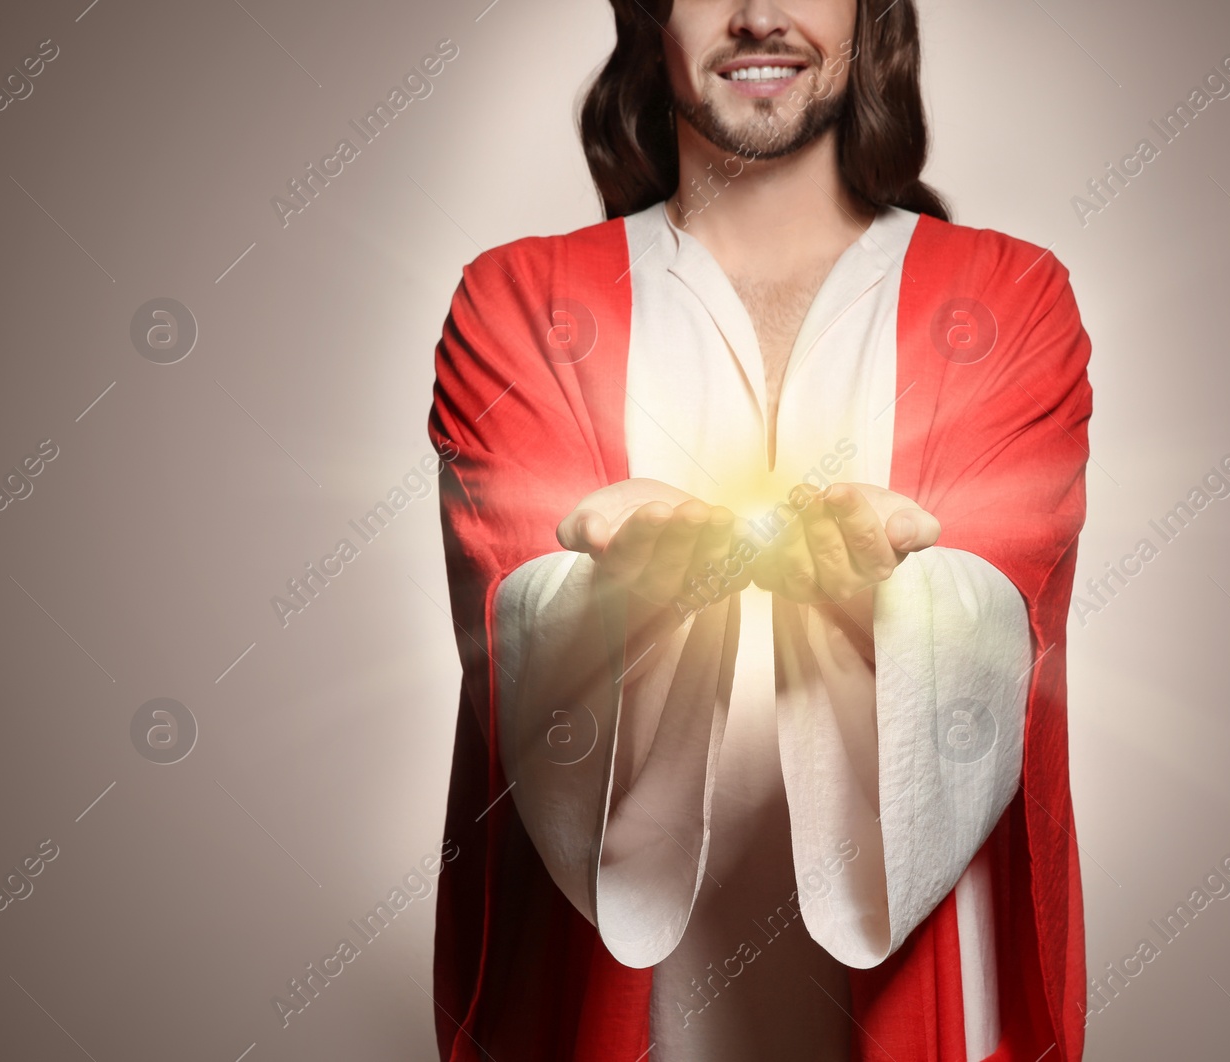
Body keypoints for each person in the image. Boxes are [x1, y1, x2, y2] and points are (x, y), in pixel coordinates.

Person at [426, 1, 1093, 1059]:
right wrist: (621, 596)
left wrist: (884, 586)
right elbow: (518, 634)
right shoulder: (522, 303)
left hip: (919, 1013)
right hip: (606, 1015)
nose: (757, 16)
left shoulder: (1008, 301)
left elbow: (997, 629)